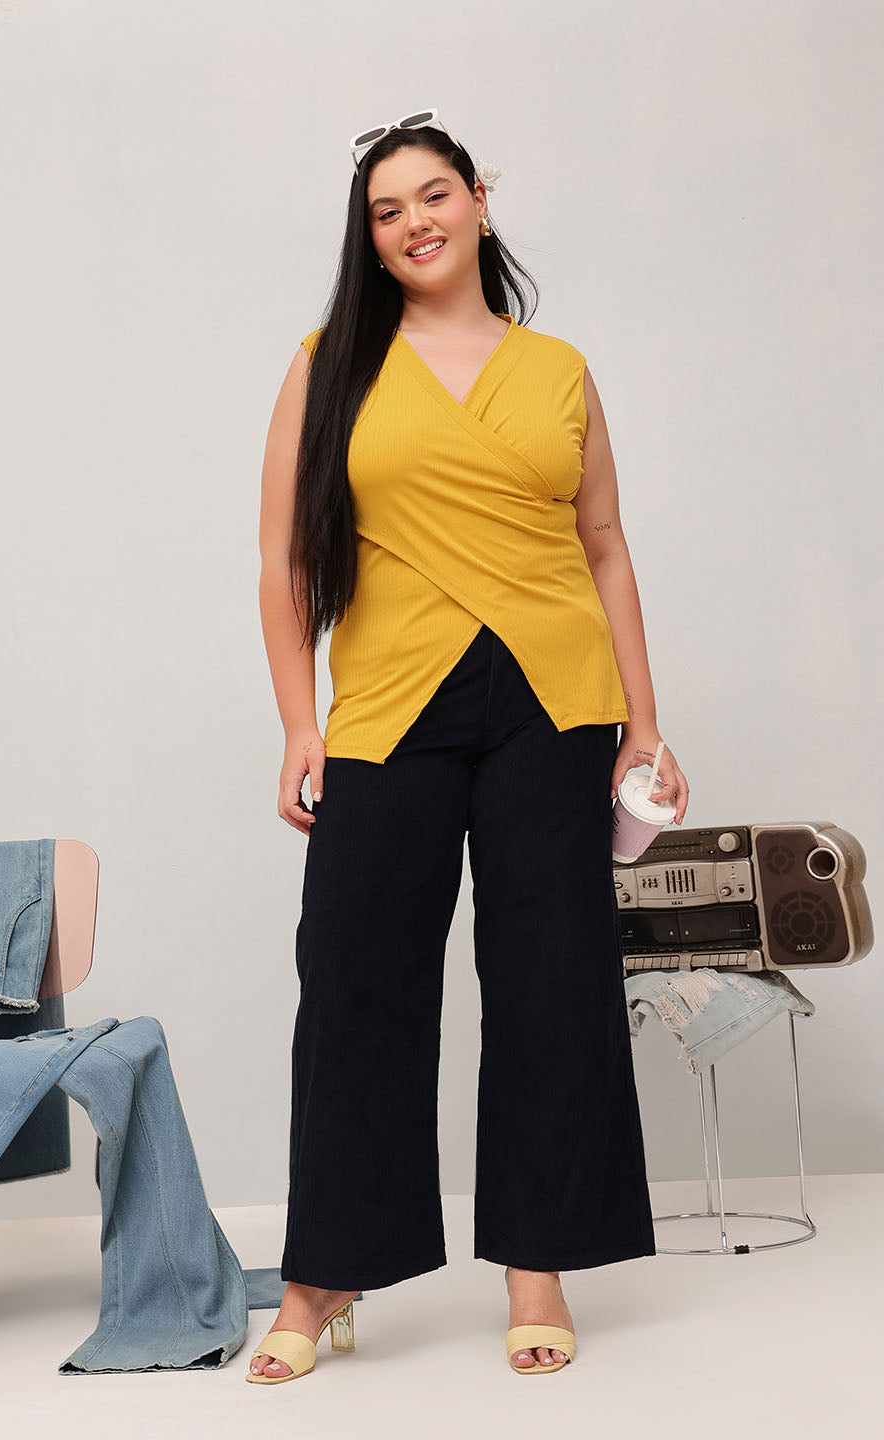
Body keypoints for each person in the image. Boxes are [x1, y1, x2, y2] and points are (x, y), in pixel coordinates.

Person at [250, 110, 689, 1385]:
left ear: (479, 199)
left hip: (555, 698)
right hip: (392, 697)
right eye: (387, 212)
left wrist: (645, 723)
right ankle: (325, 1272)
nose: (414, 223)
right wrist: (299, 721)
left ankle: (537, 1265)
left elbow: (604, 546)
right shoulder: (331, 363)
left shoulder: (558, 370)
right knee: (355, 981)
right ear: (370, 236)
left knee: (553, 978)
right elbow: (283, 559)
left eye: (433, 196)